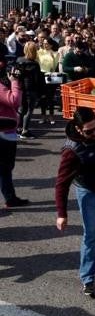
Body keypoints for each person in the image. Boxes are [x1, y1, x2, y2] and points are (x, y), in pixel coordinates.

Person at [55, 107, 95, 296]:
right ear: (78, 129)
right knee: (90, 235)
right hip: (89, 192)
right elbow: (61, 183)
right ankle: (88, 278)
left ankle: (94, 253)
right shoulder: (72, 150)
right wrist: (62, 214)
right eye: (89, 131)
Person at [0, 46, 28, 209]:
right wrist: (15, 82)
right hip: (4, 132)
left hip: (6, 130)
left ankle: (10, 197)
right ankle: (10, 198)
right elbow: (14, 101)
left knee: (5, 169)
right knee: (5, 168)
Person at [15, 41, 44, 139]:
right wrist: (41, 93)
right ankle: (25, 131)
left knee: (21, 109)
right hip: (31, 90)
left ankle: (18, 129)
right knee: (29, 111)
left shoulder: (19, 60)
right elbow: (37, 80)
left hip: (20, 88)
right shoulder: (34, 64)